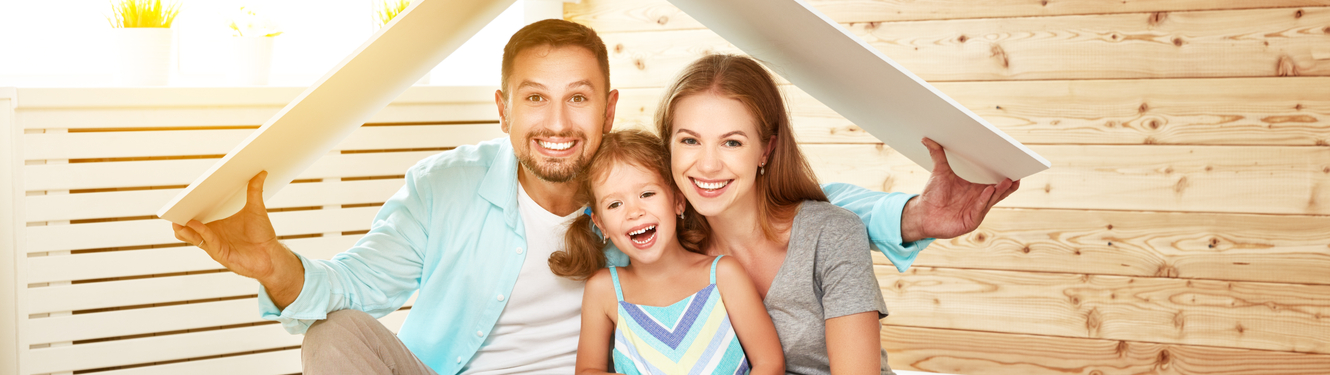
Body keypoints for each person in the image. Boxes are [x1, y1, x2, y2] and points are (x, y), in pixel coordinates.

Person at [168, 19, 1015, 375]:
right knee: (333, 338)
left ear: (609, 109)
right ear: (502, 108)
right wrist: (275, 264)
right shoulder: (446, 185)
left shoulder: (638, 189)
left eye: (578, 97)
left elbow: (786, 202)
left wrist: (910, 217)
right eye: (534, 97)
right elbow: (354, 287)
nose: (557, 121)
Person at [653, 54, 1019, 374]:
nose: (708, 164)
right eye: (689, 140)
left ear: (766, 150)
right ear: (667, 145)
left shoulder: (831, 234)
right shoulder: (664, 250)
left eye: (732, 142)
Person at [551, 130, 783, 375]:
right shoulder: (604, 289)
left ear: (678, 201)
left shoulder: (723, 275)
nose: (634, 211)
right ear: (601, 225)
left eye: (647, 194)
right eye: (614, 204)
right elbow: (588, 370)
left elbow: (770, 363)